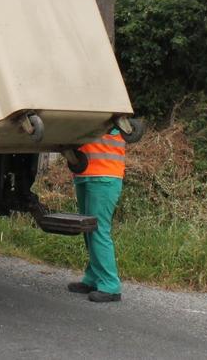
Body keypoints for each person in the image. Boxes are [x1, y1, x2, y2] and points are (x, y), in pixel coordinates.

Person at [67, 126, 127, 302]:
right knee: (88, 229)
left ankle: (110, 285)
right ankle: (93, 278)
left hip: (105, 175)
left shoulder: (112, 108)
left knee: (98, 230)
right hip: (85, 173)